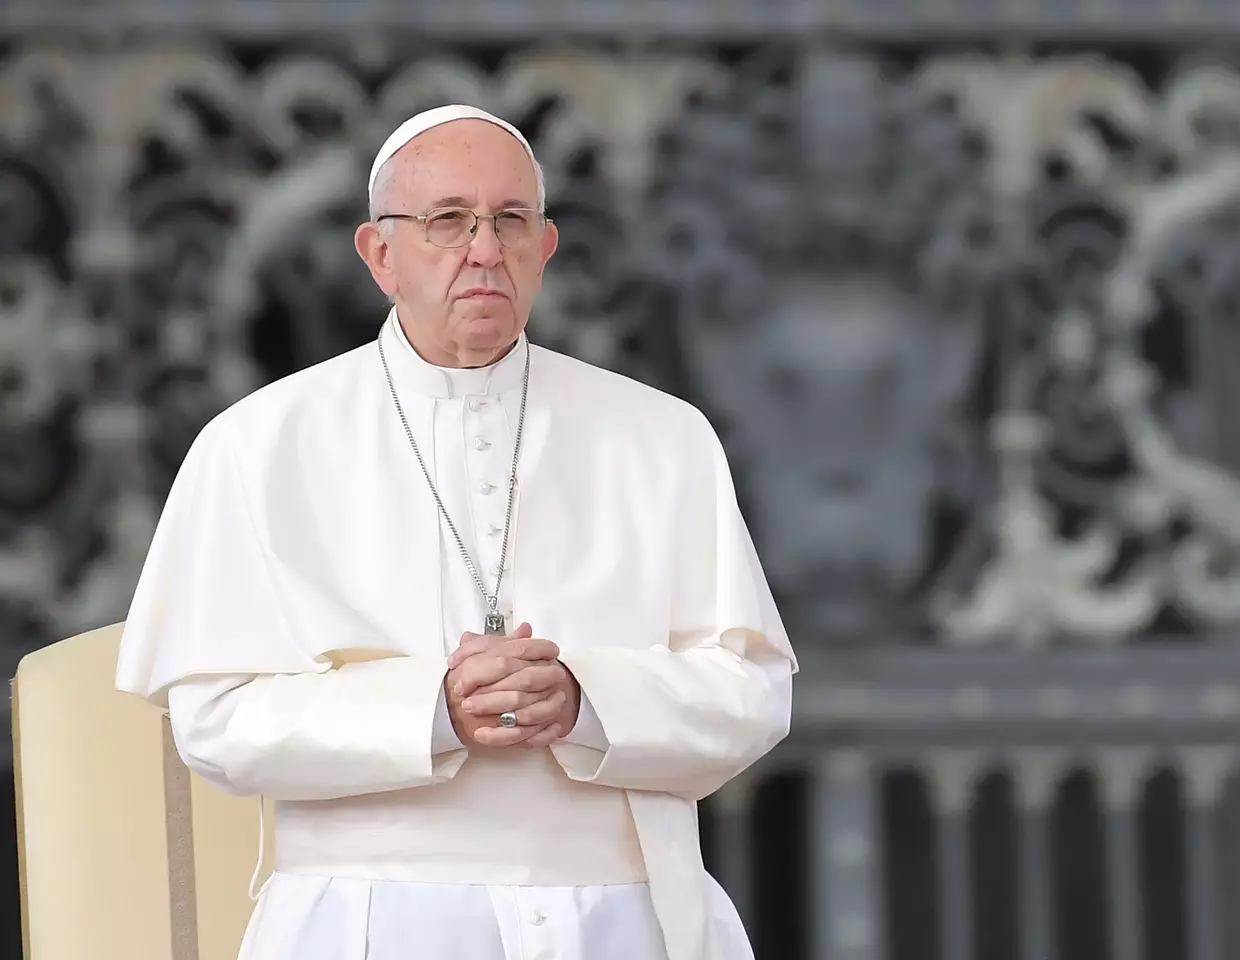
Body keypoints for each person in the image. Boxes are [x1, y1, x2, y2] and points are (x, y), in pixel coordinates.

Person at [114, 103, 798, 960]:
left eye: (512, 221)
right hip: (366, 922)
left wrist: (587, 700)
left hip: (625, 922)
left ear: (545, 249)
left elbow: (755, 694)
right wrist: (433, 710)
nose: (485, 250)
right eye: (448, 222)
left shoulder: (662, 437)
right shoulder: (259, 444)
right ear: (380, 255)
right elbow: (213, 721)